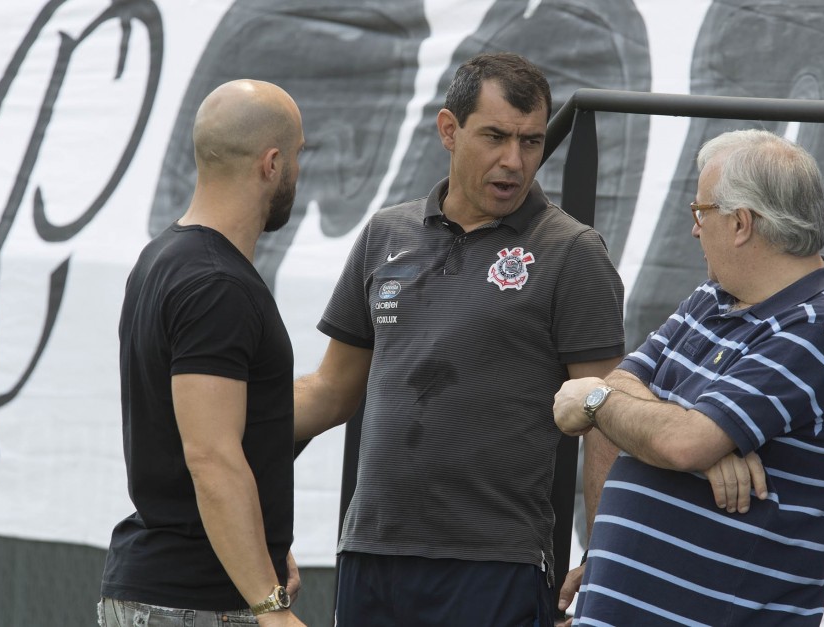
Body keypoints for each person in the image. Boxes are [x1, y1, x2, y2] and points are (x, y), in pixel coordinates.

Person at [292, 52, 625, 626]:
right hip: (372, 554)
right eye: (495, 136)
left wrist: (607, 560)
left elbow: (608, 415)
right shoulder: (384, 233)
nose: (513, 161)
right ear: (449, 130)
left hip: (495, 565)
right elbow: (330, 390)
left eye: (530, 142)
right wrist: (230, 441)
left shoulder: (572, 250)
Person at [554, 128, 824, 625]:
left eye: (700, 212)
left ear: (742, 223)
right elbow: (628, 391)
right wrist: (692, 441)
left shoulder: (819, 331)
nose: (695, 229)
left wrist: (603, 405)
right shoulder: (712, 297)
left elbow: (675, 439)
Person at [99, 79, 308, 627]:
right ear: (271, 164)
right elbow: (211, 458)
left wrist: (258, 543)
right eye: (297, 158)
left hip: (168, 588)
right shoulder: (218, 285)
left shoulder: (163, 258)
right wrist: (269, 605)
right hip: (193, 602)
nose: (297, 174)